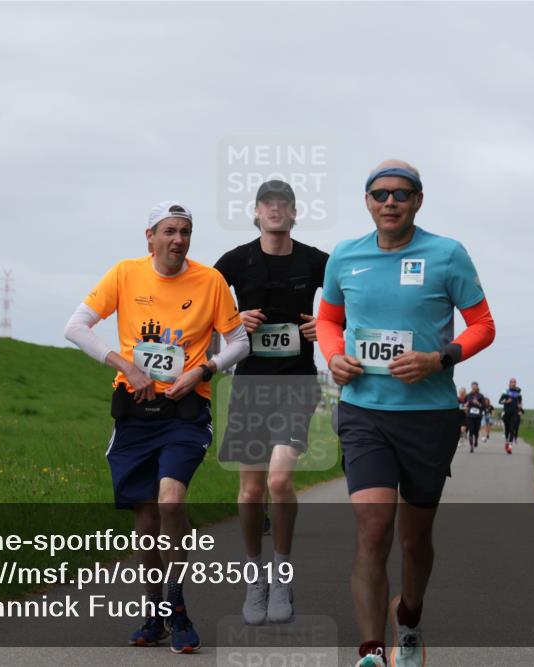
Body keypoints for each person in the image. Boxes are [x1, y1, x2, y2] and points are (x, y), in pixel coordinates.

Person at [316, 160, 495, 667]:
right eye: (379, 194)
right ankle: (371, 651)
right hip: (363, 413)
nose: (389, 202)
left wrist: (440, 358)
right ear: (367, 202)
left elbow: (482, 324)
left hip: (428, 416)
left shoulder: (446, 254)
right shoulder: (345, 257)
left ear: (418, 200)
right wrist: (332, 356)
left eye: (401, 193)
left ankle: (410, 620)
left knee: (415, 541)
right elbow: (330, 319)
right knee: (373, 530)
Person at [64, 201, 250, 653]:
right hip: (135, 409)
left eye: (185, 231)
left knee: (171, 497)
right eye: (169, 231)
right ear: (149, 236)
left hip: (186, 411)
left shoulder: (211, 281)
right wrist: (127, 366)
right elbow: (76, 327)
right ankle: (154, 611)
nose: (178, 240)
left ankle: (178, 605)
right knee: (145, 519)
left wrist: (203, 371)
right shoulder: (126, 274)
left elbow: (240, 342)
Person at [214, 179, 329, 625]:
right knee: (249, 490)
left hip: (297, 383)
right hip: (250, 385)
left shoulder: (315, 260)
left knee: (279, 483)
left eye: (284, 203)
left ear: (294, 212)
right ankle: (254, 577)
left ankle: (281, 575)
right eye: (268, 203)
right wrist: (231, 319)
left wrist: (326, 323)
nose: (276, 210)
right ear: (257, 212)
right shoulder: (236, 260)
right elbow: (195, 304)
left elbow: (351, 302)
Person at [498, 378, 524, 454]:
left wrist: (520, 407)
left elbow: (520, 403)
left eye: (514, 382)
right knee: (507, 429)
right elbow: (500, 401)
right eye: (512, 382)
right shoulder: (505, 392)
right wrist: (506, 401)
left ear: (516, 384)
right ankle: (506, 441)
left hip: (514, 413)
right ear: (509, 384)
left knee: (512, 429)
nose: (513, 384)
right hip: (506, 412)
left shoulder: (518, 394)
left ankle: (510, 446)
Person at [463, 382, 487, 453]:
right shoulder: (468, 396)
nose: (474, 387)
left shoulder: (480, 396)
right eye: (473, 386)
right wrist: (466, 406)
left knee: (476, 431)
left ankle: (476, 440)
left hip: (478, 416)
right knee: (471, 430)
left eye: (475, 386)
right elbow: (464, 405)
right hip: (470, 416)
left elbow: (484, 406)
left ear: (477, 387)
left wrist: (478, 403)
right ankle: (471, 446)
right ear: (471, 387)